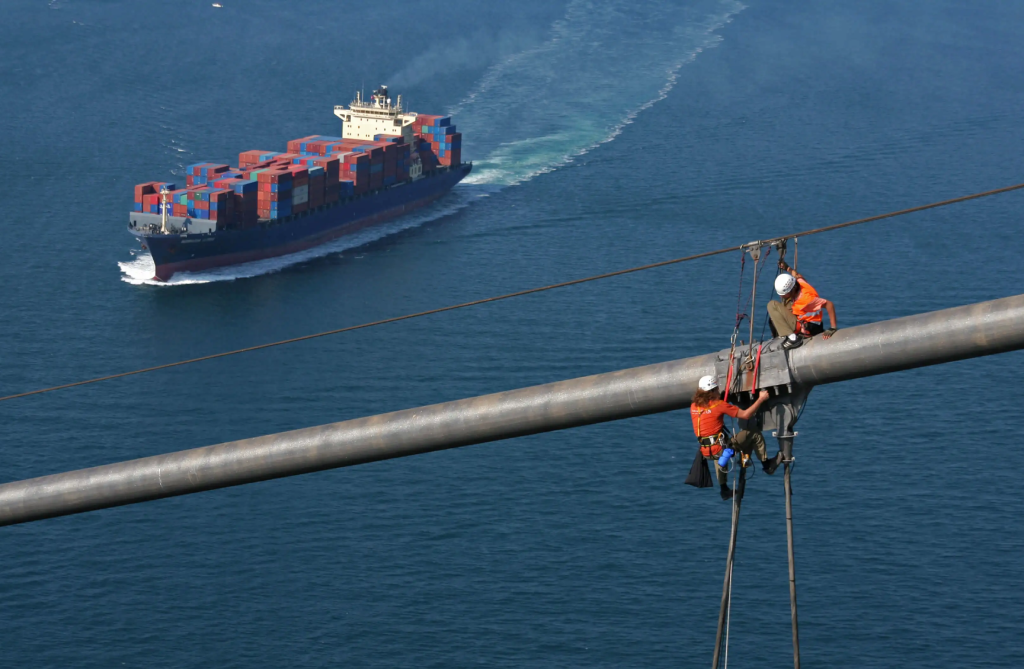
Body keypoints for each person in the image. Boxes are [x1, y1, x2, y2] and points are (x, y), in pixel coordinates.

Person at [690, 375, 776, 501]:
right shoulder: (719, 405)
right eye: (717, 389)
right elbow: (746, 415)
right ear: (712, 391)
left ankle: (723, 489)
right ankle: (767, 465)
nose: (719, 391)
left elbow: (709, 417)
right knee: (754, 434)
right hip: (720, 449)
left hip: (705, 451)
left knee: (718, 453)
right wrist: (761, 399)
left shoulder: (694, 407)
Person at [767, 260, 838, 340]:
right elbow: (797, 275)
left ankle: (791, 338)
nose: (781, 296)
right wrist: (787, 268)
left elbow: (829, 304)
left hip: (808, 327)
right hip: (809, 321)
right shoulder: (799, 283)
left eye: (783, 294)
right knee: (775, 316)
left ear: (790, 291)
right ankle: (781, 335)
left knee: (772, 305)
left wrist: (833, 327)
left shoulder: (806, 299)